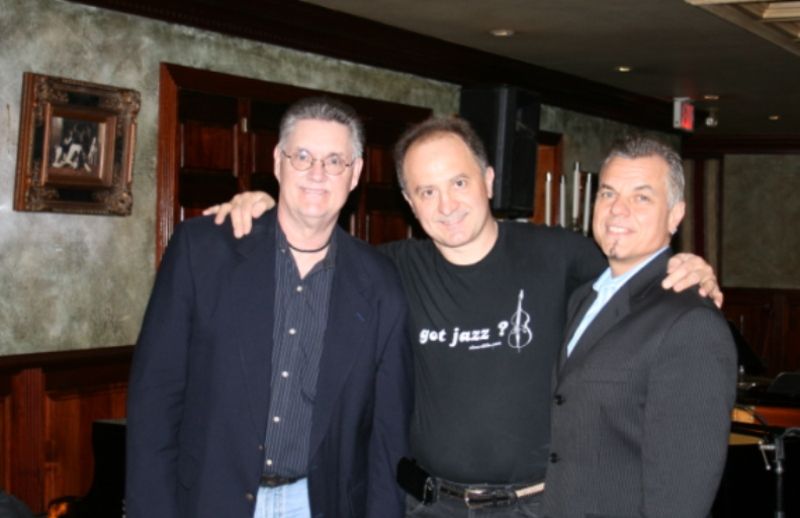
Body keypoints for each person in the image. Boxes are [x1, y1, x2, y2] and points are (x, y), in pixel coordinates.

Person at [207, 116, 722, 517]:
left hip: (534, 506)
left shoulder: (561, 255)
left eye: (458, 182)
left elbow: (631, 271)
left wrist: (687, 265)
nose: (446, 205)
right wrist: (265, 207)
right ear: (409, 202)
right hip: (426, 505)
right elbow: (307, 248)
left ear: (488, 179)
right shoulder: (387, 270)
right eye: (426, 191)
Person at [126, 97, 413, 518]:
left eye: (335, 161)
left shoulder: (381, 283)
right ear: (278, 161)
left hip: (318, 505)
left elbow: (388, 436)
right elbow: (155, 399)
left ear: (354, 174)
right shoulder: (201, 251)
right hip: (208, 501)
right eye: (303, 156)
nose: (317, 173)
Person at [541, 137, 736, 518]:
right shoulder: (583, 297)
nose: (618, 209)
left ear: (676, 215)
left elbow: (682, 492)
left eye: (641, 197)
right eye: (608, 193)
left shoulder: (691, 323)